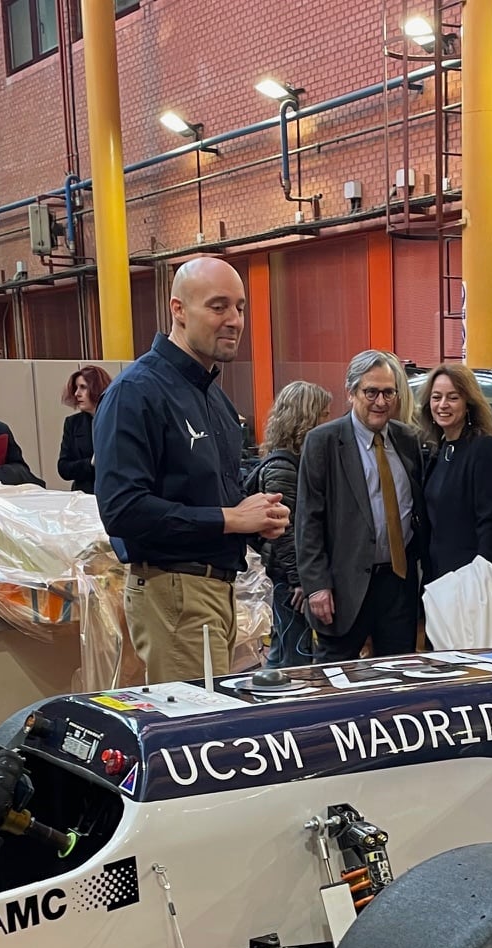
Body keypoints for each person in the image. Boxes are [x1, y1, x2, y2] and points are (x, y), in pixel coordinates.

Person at [93, 258, 288, 683]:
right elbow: (123, 510)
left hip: (216, 588)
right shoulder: (137, 393)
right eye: (218, 307)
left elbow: (212, 500)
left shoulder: (213, 399)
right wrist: (230, 518)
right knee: (195, 728)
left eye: (239, 308)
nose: (234, 320)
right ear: (177, 310)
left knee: (212, 720)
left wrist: (254, 518)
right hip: (174, 591)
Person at [295, 350, 429, 662]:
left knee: (397, 677)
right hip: (344, 588)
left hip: (398, 586)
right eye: (371, 392)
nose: (381, 402)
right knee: (333, 681)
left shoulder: (408, 439)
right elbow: (308, 521)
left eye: (388, 392)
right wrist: (316, 586)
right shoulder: (323, 442)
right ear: (352, 392)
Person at [251, 380, 332, 668]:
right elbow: (284, 531)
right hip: (289, 579)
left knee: (285, 649)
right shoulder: (283, 467)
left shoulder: (292, 461)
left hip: (292, 575)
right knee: (292, 658)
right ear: (306, 417)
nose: (329, 420)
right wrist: (301, 580)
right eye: (323, 413)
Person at [413, 364, 492, 578]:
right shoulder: (439, 448)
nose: (442, 405)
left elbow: (489, 519)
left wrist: (483, 572)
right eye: (436, 397)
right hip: (437, 576)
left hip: (469, 577)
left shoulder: (484, 448)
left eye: (453, 398)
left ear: (468, 403)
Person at [58, 365, 112, 493]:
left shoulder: (118, 419)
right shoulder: (73, 423)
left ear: (97, 389)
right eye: (76, 388)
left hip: (114, 493)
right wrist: (90, 463)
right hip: (84, 495)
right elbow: (63, 468)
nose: (77, 393)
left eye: (83, 387)